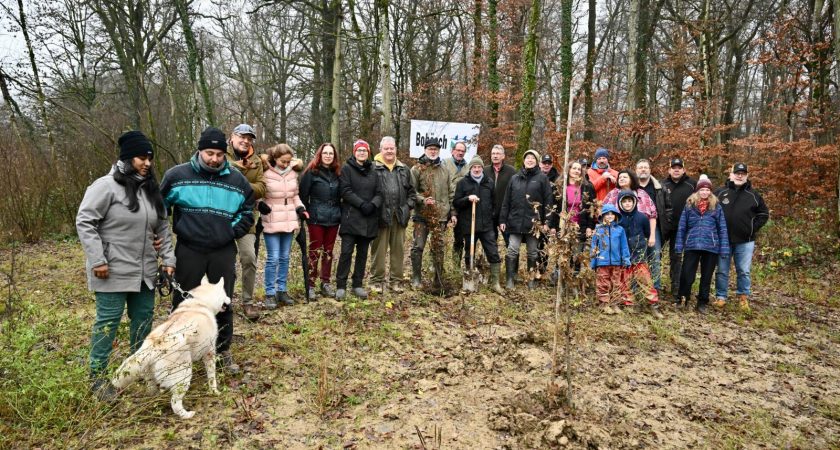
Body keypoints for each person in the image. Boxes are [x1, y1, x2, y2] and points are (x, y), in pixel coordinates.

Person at [76, 130, 175, 400]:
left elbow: (162, 228)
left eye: (150, 158)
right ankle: (97, 377)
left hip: (145, 272)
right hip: (111, 270)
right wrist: (97, 259)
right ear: (127, 158)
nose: (147, 163)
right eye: (141, 158)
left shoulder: (151, 190)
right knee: (107, 323)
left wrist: (168, 259)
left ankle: (136, 370)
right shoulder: (105, 186)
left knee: (143, 321)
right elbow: (85, 221)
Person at [160, 126, 255, 374]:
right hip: (189, 248)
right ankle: (177, 351)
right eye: (209, 153)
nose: (214, 159)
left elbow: (247, 212)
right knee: (183, 300)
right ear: (199, 151)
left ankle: (222, 351)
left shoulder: (237, 181)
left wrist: (229, 231)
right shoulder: (177, 175)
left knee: (222, 300)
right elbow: (159, 210)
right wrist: (160, 241)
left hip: (222, 249)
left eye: (219, 154)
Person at [714, 163, 769, 311]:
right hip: (723, 240)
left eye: (743, 173)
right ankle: (721, 297)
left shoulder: (754, 195)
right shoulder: (720, 192)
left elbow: (763, 214)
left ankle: (743, 297)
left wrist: (751, 229)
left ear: (747, 176)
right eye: (737, 173)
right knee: (722, 270)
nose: (739, 176)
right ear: (730, 174)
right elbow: (710, 211)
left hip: (745, 241)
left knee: (743, 270)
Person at [675, 175, 729, 315]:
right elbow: (682, 227)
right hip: (692, 245)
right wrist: (679, 246)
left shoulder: (716, 207)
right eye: (702, 189)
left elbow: (722, 229)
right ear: (697, 191)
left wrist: (724, 249)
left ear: (710, 191)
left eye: (707, 190)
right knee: (687, 274)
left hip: (711, 246)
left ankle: (702, 302)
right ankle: (683, 298)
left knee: (706, 277)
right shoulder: (689, 205)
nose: (705, 192)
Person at [499, 149, 553, 290]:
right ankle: (510, 279)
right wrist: (503, 220)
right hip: (515, 221)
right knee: (512, 250)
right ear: (524, 161)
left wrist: (547, 222)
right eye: (527, 158)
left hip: (534, 223)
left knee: (533, 252)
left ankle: (531, 280)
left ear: (537, 161)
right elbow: (506, 201)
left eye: (532, 158)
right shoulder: (515, 178)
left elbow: (548, 202)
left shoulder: (542, 179)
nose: (529, 160)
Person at [336, 139, 382, 299]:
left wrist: (373, 204)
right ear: (354, 152)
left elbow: (380, 192)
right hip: (351, 217)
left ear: (368, 153)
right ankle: (341, 285)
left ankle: (357, 284)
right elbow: (345, 191)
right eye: (359, 150)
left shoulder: (374, 170)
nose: (361, 153)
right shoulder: (347, 169)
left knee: (362, 254)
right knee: (346, 252)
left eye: (364, 150)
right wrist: (361, 204)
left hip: (369, 219)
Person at [262, 144, 307, 307]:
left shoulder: (293, 173)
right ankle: (269, 293)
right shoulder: (265, 173)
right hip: (272, 218)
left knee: (284, 257)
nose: (286, 164)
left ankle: (282, 290)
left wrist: (300, 208)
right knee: (273, 258)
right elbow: (258, 194)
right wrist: (260, 204)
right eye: (283, 161)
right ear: (275, 158)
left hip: (289, 219)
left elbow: (295, 195)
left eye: (288, 161)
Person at [228, 124, 266, 315]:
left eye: (249, 138)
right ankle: (223, 300)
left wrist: (240, 184)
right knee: (224, 261)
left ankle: (247, 302)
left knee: (249, 258)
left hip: (246, 216)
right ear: (232, 137)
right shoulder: (221, 155)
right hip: (223, 216)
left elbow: (262, 188)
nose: (245, 141)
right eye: (242, 137)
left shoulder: (256, 161)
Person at [371, 136, 416, 294]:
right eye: (386, 148)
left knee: (398, 251)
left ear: (396, 149)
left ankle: (396, 281)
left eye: (392, 148)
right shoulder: (373, 168)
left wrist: (407, 207)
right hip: (380, 217)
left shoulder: (404, 169)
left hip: (399, 217)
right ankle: (376, 281)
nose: (389, 151)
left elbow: (412, 193)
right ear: (380, 150)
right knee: (379, 251)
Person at [452, 156, 503, 293]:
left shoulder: (489, 182)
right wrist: (467, 198)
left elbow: (494, 202)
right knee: (469, 252)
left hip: (486, 225)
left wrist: (492, 216)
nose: (476, 169)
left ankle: (495, 283)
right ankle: (470, 278)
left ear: (482, 168)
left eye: (479, 167)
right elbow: (456, 202)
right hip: (469, 224)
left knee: (493, 252)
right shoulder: (463, 183)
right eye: (474, 167)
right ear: (470, 168)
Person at [410, 139, 456, 289]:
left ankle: (438, 280)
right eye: (430, 148)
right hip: (422, 215)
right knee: (418, 246)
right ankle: (416, 278)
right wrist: (423, 200)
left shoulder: (445, 170)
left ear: (439, 151)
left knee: (438, 248)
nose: (433, 151)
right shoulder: (417, 169)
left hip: (440, 216)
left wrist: (452, 212)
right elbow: (411, 191)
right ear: (425, 150)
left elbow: (451, 192)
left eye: (436, 149)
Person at [300, 143, 341, 299]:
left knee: (328, 251)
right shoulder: (311, 172)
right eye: (325, 153)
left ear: (334, 156)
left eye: (331, 153)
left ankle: (325, 283)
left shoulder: (338, 173)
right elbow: (303, 195)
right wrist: (307, 213)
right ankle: (310, 284)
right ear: (320, 154)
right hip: (316, 217)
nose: (328, 156)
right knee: (315, 251)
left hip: (334, 217)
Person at [617, 190, 663, 317]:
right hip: (624, 255)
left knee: (645, 280)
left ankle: (653, 304)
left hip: (639, 254)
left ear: (634, 202)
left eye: (629, 201)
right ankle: (629, 303)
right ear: (620, 203)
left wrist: (642, 244)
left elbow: (647, 233)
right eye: (624, 201)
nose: (627, 204)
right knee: (625, 281)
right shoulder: (618, 219)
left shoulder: (642, 217)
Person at [662, 158, 697, 300]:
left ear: (684, 170)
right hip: (664, 226)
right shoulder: (662, 184)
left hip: (682, 228)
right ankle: (653, 286)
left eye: (679, 167)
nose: (676, 170)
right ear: (669, 170)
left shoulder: (692, 185)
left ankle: (676, 288)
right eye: (674, 167)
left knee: (676, 257)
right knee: (655, 255)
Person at [635, 159, 672, 293]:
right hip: (636, 228)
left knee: (655, 257)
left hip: (654, 226)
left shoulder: (659, 187)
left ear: (650, 170)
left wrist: (666, 224)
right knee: (637, 257)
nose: (643, 169)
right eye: (640, 167)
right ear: (636, 171)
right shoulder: (632, 187)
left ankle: (655, 287)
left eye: (646, 167)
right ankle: (637, 288)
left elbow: (668, 208)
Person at [590, 204, 630, 314]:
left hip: (616, 262)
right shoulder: (598, 229)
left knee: (616, 283)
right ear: (603, 216)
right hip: (602, 262)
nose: (610, 216)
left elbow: (624, 246)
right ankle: (604, 304)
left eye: (612, 214)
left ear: (616, 215)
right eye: (607, 214)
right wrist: (593, 262)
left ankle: (614, 303)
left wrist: (626, 259)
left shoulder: (620, 230)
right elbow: (594, 246)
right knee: (603, 283)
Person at [603, 170, 657, 249]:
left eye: (625, 177)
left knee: (648, 255)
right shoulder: (612, 194)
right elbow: (604, 214)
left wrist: (652, 235)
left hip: (641, 236)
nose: (621, 179)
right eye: (620, 178)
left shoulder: (642, 193)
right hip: (619, 237)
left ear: (632, 179)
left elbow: (653, 216)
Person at [484, 144, 516, 247]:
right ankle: (492, 258)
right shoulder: (485, 171)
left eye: (498, 153)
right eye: (493, 153)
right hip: (489, 213)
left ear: (503, 156)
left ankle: (511, 258)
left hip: (506, 214)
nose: (495, 156)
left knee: (510, 242)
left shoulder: (511, 171)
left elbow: (515, 192)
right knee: (490, 242)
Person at [443, 141, 469, 267]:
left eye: (462, 151)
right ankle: (435, 266)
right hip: (445, 204)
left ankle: (456, 266)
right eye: (458, 150)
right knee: (438, 238)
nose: (460, 153)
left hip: (460, 207)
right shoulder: (445, 163)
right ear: (452, 151)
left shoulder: (468, 167)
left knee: (459, 239)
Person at [537, 154, 560, 276]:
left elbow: (558, 203)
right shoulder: (535, 175)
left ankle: (545, 271)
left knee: (547, 246)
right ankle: (536, 271)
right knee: (536, 246)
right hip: (536, 216)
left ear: (551, 165)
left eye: (549, 163)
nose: (546, 165)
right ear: (540, 164)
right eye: (544, 163)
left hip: (551, 217)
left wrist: (553, 224)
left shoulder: (557, 179)